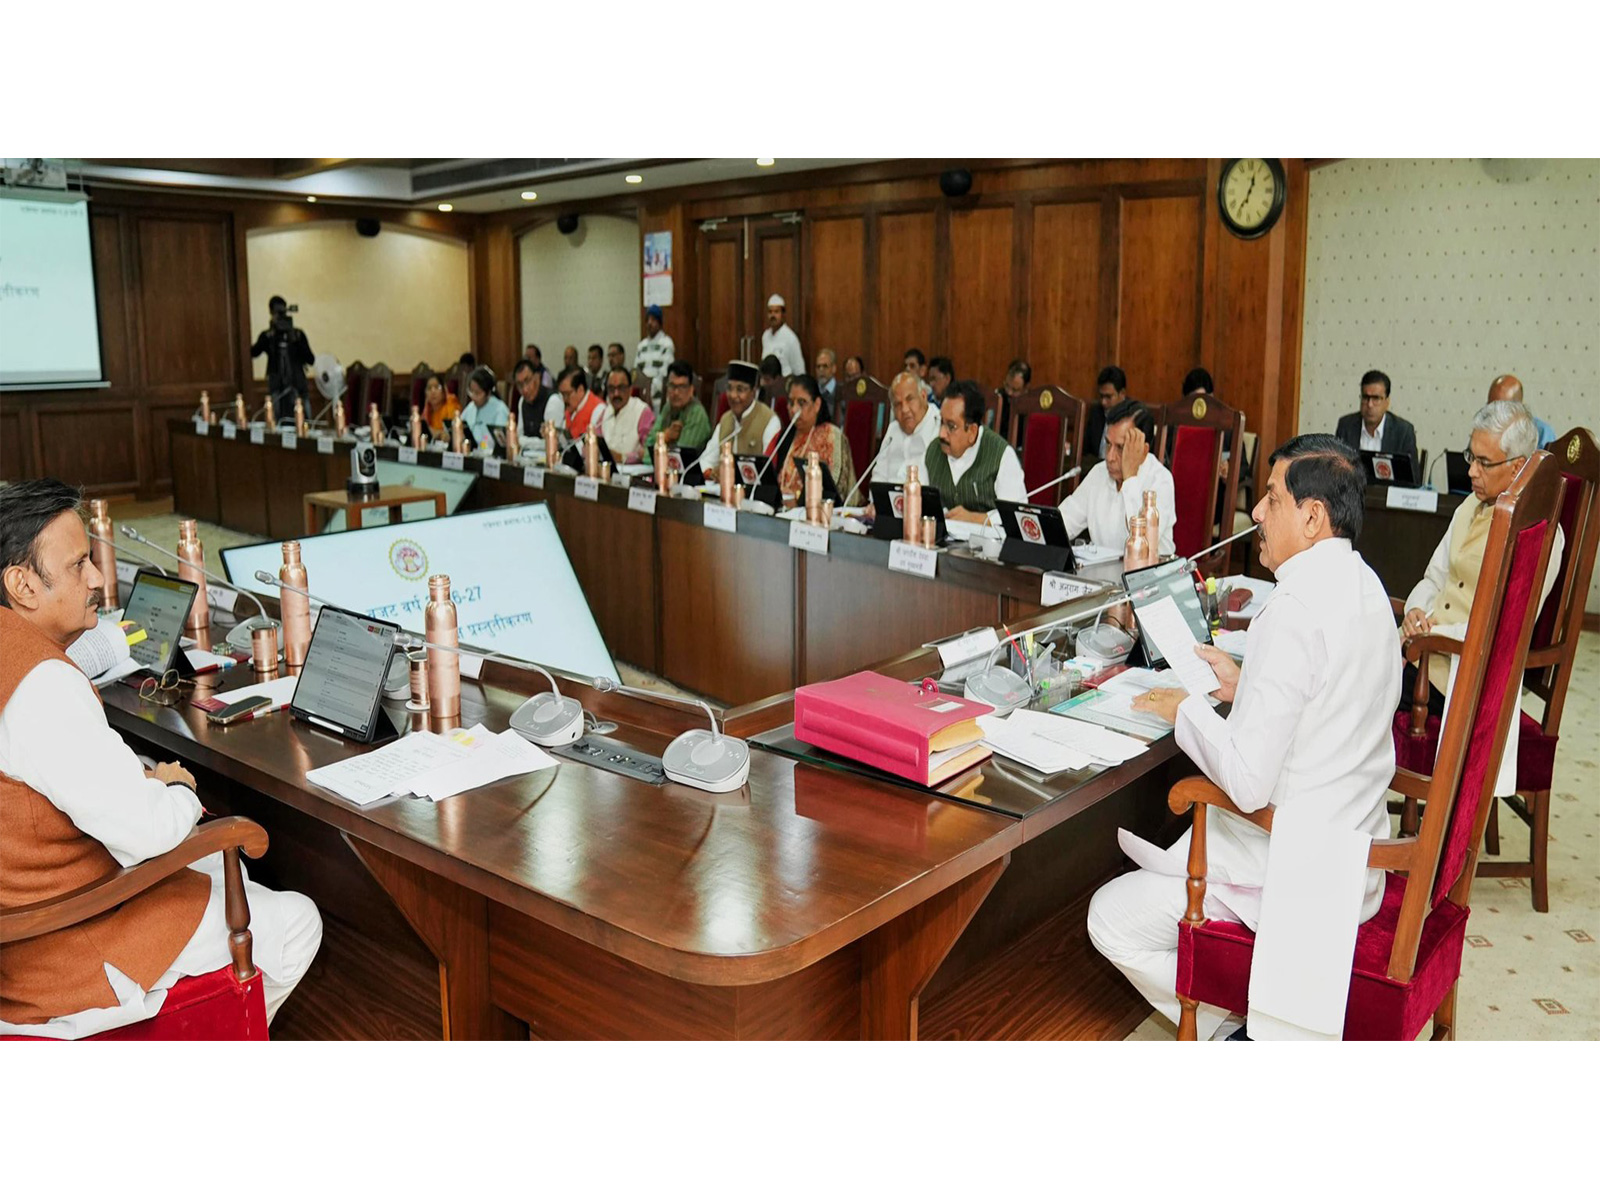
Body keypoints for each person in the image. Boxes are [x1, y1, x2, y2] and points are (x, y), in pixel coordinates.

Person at [1089, 435, 1398, 1040]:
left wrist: (1186, 709)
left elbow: (1250, 784)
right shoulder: (1367, 586)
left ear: (1312, 518)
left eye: (1272, 499)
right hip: (1357, 855)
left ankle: (1230, 1019)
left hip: (1297, 870)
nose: (1255, 512)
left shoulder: (1293, 610)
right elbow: (1332, 701)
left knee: (1110, 918)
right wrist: (1246, 683)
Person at [0, 479, 322, 1037]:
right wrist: (174, 788)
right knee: (296, 922)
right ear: (23, 584)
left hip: (28, 923)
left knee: (219, 869)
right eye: (80, 565)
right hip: (60, 952)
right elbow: (146, 833)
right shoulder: (42, 685)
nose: (99, 578)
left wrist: (137, 779)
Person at [1401, 400, 1564, 707]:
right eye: (1470, 457)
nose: (1471, 471)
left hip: (1459, 674)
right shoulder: (1468, 506)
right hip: (1421, 647)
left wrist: (1436, 631)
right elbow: (1434, 578)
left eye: (1484, 462)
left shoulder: (1536, 533)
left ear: (1517, 466)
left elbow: (1505, 626)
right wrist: (1415, 612)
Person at [1059, 399, 1177, 555]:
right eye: (1108, 444)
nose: (1110, 456)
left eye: (1120, 448)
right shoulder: (1099, 473)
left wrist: (1130, 478)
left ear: (1143, 450)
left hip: (1147, 576)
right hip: (1102, 575)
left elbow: (1143, 545)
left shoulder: (1160, 480)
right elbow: (1065, 522)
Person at [923, 380, 1026, 522]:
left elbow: (1016, 516)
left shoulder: (1001, 456)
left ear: (972, 431)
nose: (941, 434)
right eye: (941, 422)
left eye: (951, 426)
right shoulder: (934, 450)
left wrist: (975, 518)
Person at [771, 374, 856, 504]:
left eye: (801, 403)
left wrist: (798, 502)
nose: (794, 410)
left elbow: (836, 489)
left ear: (817, 404)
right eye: (791, 402)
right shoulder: (785, 436)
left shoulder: (832, 436)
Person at [699, 360, 779, 475]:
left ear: (754, 391)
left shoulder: (769, 420)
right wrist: (713, 473)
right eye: (729, 388)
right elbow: (705, 461)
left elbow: (769, 469)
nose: (732, 395)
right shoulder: (725, 420)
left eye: (740, 389)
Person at [1334, 369, 1419, 461]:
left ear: (1387, 402)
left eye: (1376, 398)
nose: (1370, 404)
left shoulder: (1403, 432)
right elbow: (1336, 469)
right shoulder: (1346, 426)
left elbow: (1412, 474)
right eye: (1365, 397)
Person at [876, 370, 942, 485]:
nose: (905, 409)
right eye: (898, 404)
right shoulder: (893, 430)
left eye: (910, 399)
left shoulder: (940, 427)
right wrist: (875, 500)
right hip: (889, 501)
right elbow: (879, 475)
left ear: (923, 396)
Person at [249, 295, 315, 404]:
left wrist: (296, 341)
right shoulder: (268, 336)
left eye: (283, 313)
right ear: (271, 313)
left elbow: (311, 360)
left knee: (304, 417)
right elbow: (253, 353)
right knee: (276, 417)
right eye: (277, 314)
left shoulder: (298, 334)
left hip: (298, 387)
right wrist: (268, 337)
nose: (281, 317)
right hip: (277, 388)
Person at [646, 360, 711, 464]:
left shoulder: (697, 414)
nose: (676, 393)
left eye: (682, 387)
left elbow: (680, 460)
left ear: (691, 390)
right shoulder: (668, 407)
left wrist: (660, 442)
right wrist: (666, 436)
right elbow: (647, 452)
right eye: (672, 386)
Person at [599, 367, 655, 464]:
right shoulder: (605, 412)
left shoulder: (642, 412)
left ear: (630, 389)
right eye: (611, 389)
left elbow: (649, 452)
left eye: (621, 388)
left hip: (631, 473)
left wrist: (623, 457)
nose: (616, 394)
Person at [1488, 374, 1557, 448]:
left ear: (1519, 407)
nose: (1495, 414)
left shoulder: (1542, 433)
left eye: (1502, 409)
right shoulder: (1483, 432)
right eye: (1490, 407)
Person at [634, 305, 675, 407]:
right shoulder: (641, 346)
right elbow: (636, 372)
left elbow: (665, 374)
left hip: (658, 397)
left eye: (653, 319)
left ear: (659, 323)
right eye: (647, 320)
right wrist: (642, 392)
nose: (649, 323)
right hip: (641, 396)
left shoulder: (666, 344)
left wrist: (649, 392)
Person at [459, 366, 509, 449]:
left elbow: (501, 444)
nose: (473, 397)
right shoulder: (471, 407)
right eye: (471, 391)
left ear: (488, 393)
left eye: (478, 393)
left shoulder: (499, 410)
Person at [1085, 365, 1127, 462]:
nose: (1103, 402)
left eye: (1108, 397)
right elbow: (1086, 451)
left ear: (1122, 394)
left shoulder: (1133, 417)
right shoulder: (1096, 413)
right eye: (1101, 396)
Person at [761, 294, 805, 376]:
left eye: (776, 312)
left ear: (783, 315)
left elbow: (799, 370)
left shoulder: (791, 338)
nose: (773, 315)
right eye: (770, 312)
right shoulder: (765, 336)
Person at [512, 358, 556, 439]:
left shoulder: (553, 400)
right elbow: (519, 436)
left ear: (537, 377)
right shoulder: (522, 401)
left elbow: (551, 441)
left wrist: (524, 442)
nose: (524, 389)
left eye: (527, 381)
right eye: (520, 385)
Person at [558, 367, 604, 442]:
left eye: (567, 394)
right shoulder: (570, 408)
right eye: (562, 394)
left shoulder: (598, 410)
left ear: (580, 390)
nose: (564, 399)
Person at [420, 371, 461, 438]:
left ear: (444, 390)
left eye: (437, 387)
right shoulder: (427, 410)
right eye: (429, 388)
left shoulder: (451, 404)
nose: (433, 391)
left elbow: (451, 432)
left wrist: (436, 433)